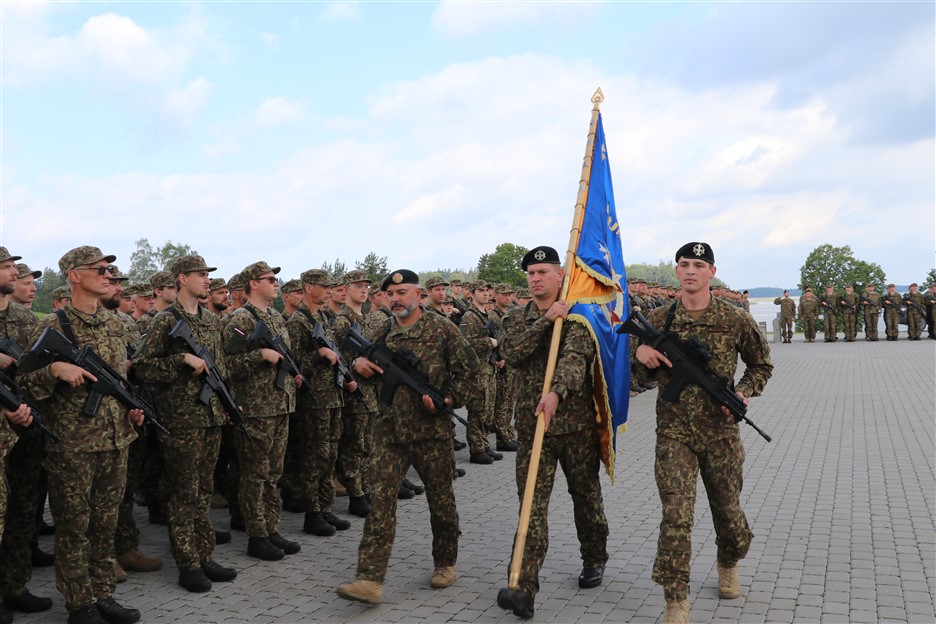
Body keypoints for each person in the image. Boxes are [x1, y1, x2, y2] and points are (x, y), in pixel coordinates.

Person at [632, 242, 772, 624]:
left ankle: (729, 559)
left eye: (698, 264)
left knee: (728, 512)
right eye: (683, 264)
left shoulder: (735, 318)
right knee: (675, 515)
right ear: (676, 271)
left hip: (720, 433)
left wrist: (743, 391)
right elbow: (637, 373)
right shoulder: (658, 319)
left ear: (712, 271)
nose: (690, 270)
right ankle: (676, 598)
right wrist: (640, 356)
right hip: (674, 432)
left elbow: (761, 364)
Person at [336, 269, 478, 605]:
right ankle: (369, 578)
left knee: (441, 503)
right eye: (391, 294)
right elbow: (361, 366)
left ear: (418, 295)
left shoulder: (443, 329)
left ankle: (445, 561)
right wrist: (359, 365)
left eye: (402, 293)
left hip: (432, 433)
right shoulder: (382, 330)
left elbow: (470, 374)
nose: (396, 299)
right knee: (380, 503)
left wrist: (448, 400)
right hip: (389, 433)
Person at [20, 246, 145, 624]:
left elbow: (117, 382)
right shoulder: (53, 326)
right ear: (74, 276)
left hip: (115, 441)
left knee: (105, 525)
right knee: (74, 527)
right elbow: (23, 384)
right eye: (99, 269)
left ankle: (103, 593)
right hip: (72, 446)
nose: (108, 275)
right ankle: (80, 604)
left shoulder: (114, 324)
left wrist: (131, 411)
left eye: (109, 269)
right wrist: (54, 370)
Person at [496, 246, 609, 620]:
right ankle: (522, 587)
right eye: (531, 274)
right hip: (534, 429)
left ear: (560, 274)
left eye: (543, 272)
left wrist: (556, 392)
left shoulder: (580, 313)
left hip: (574, 427)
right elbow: (512, 353)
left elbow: (575, 359)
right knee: (531, 506)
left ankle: (594, 556)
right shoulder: (517, 317)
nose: (536, 279)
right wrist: (545, 320)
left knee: (586, 497)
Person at [132, 255, 238, 593]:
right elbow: (142, 367)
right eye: (201, 274)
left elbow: (220, 368)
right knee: (183, 492)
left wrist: (228, 403)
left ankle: (204, 554)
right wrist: (180, 360)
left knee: (204, 489)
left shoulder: (209, 320)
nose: (207, 280)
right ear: (182, 278)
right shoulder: (165, 321)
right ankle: (188, 563)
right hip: (180, 420)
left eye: (208, 274)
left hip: (210, 417)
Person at [221, 261, 302, 562]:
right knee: (255, 474)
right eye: (270, 279)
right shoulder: (240, 319)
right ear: (253, 284)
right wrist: (258, 355)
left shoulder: (276, 316)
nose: (275, 283)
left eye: (275, 279)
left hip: (280, 405)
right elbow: (225, 365)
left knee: (273, 473)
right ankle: (257, 535)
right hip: (255, 409)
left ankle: (271, 528)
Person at [0, 248, 52, 620]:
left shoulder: (25, 318)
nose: (14, 272)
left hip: (26, 426)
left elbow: (38, 369)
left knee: (22, 509)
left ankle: (14, 586)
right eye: (6, 267)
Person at [459, 281, 504, 465]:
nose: (485, 294)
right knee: (478, 410)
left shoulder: (486, 314)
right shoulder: (469, 316)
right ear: (472, 294)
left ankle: (485, 445)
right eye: (481, 291)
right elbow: (465, 343)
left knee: (487, 410)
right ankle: (476, 450)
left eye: (487, 291)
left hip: (489, 368)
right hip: (477, 371)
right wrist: (488, 342)